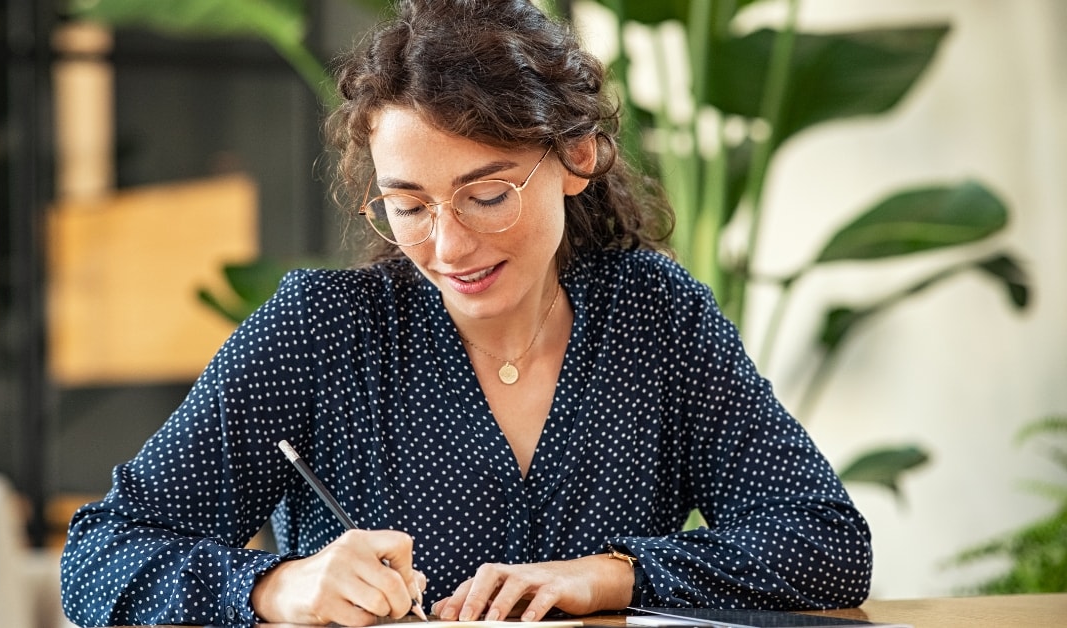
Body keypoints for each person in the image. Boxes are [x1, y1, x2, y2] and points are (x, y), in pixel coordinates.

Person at [59, 0, 873, 625]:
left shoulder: (654, 318)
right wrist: (278, 585)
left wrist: (610, 573)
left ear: (576, 157)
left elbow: (825, 542)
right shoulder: (320, 332)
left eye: (487, 194)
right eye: (408, 205)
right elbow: (98, 561)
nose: (450, 246)